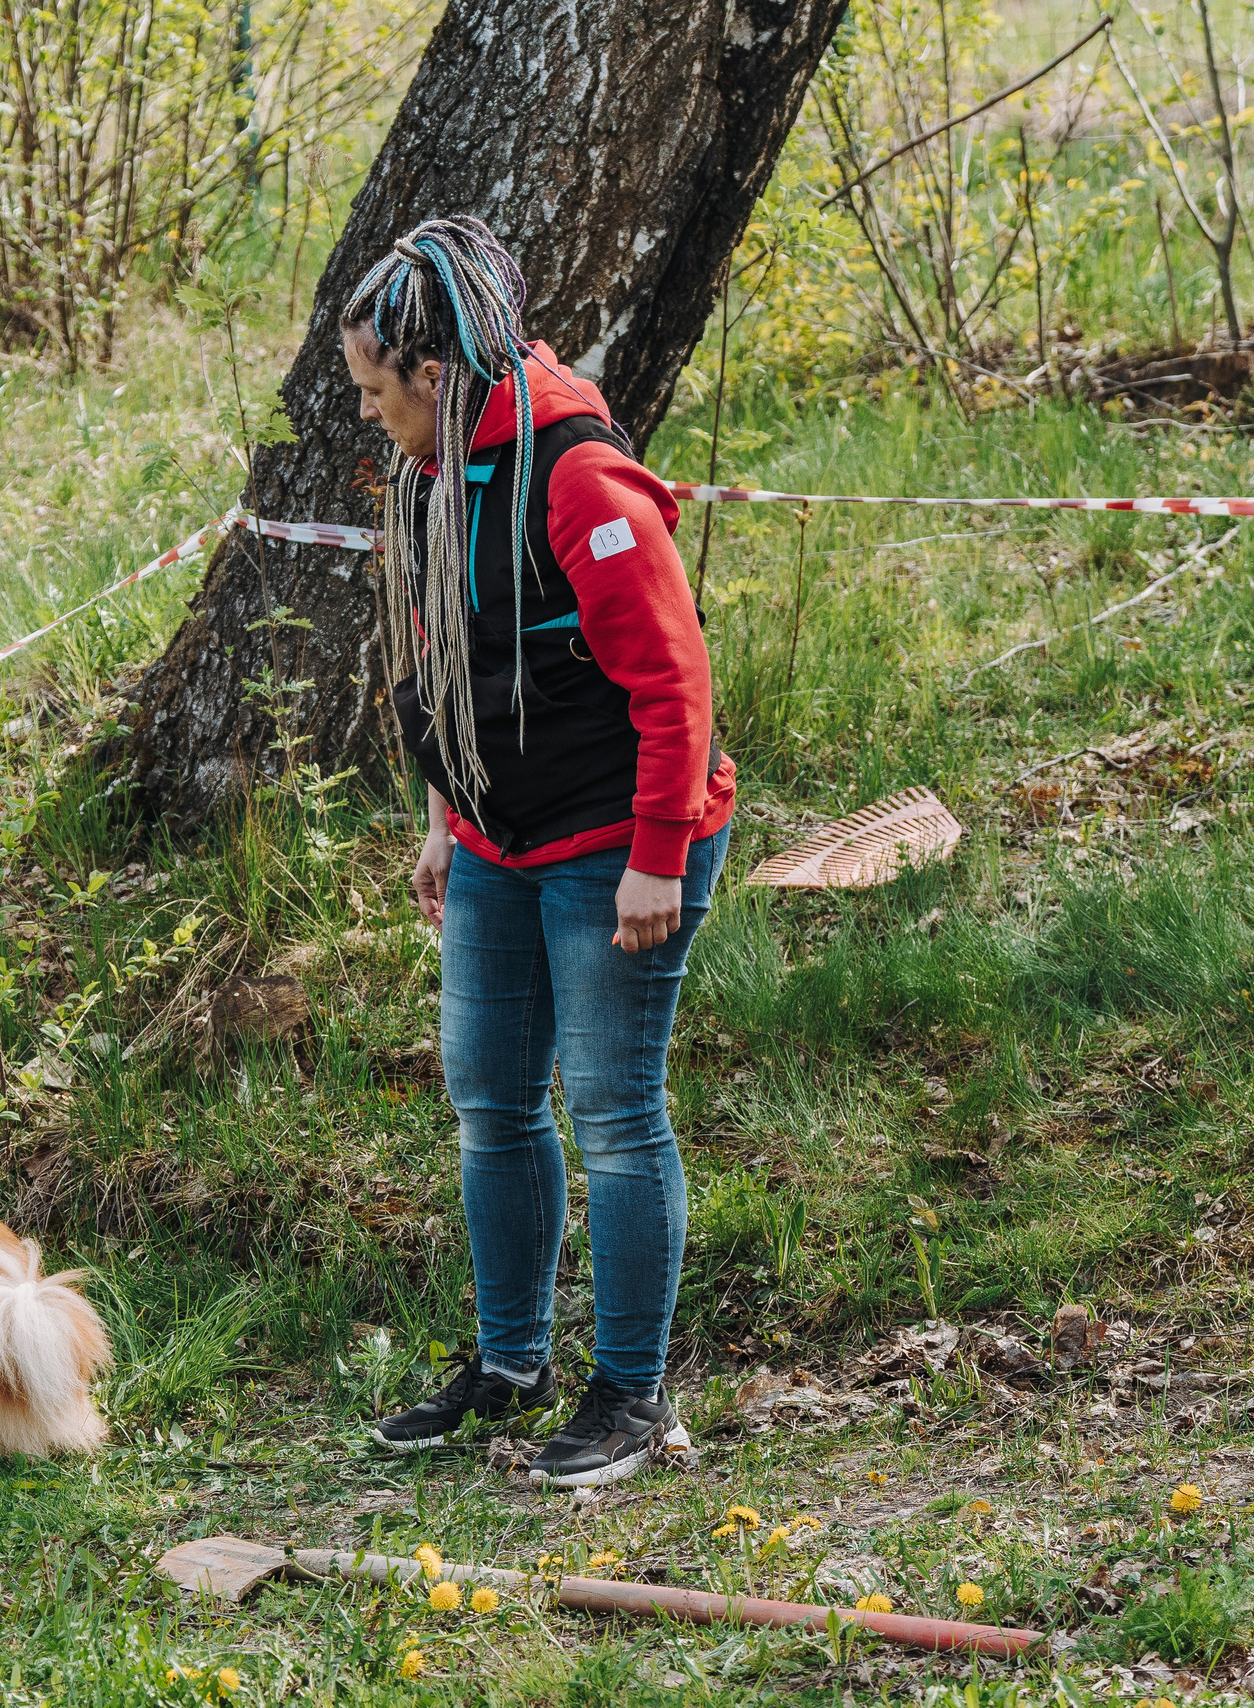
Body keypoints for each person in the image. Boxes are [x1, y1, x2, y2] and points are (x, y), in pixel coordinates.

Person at [342, 216, 736, 1489]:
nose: (367, 416)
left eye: (371, 392)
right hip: (497, 841)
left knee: (614, 1114)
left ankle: (632, 1395)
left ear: (435, 374)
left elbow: (673, 680)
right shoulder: (429, 468)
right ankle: (512, 1362)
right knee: (487, 1102)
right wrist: (449, 822)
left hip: (623, 839)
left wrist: (657, 857)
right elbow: (456, 670)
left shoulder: (577, 474)